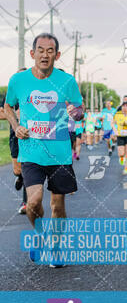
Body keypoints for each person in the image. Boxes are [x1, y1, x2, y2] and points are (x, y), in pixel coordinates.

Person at [3, 33, 83, 267]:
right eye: (40, 50)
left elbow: (79, 108)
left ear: (57, 55)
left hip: (59, 153)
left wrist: (75, 113)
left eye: (50, 51)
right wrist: (16, 127)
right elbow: (8, 106)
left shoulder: (66, 81)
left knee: (58, 205)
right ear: (32, 53)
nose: (45, 54)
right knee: (35, 201)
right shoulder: (19, 81)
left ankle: (56, 248)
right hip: (31, 152)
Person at [0, 68, 28, 214]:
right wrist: (13, 116)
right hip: (14, 135)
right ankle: (20, 178)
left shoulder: (33, 94)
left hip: (30, 136)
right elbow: (2, 113)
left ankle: (26, 203)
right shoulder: (12, 95)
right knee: (18, 170)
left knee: (27, 167)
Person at [112, 102, 127, 174]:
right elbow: (112, 123)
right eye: (124, 106)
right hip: (120, 135)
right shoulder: (117, 114)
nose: (125, 107)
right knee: (121, 153)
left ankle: (126, 168)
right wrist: (115, 130)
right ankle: (122, 158)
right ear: (121, 107)